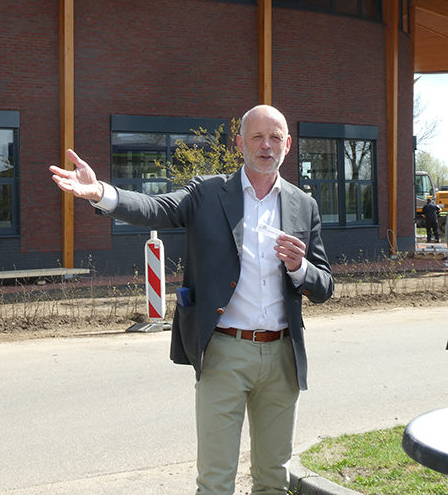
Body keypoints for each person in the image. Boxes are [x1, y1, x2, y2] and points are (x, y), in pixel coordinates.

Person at [49, 104, 334, 495]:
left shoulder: (304, 205)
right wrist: (101, 193)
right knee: (215, 482)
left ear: (288, 143)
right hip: (225, 353)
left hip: (283, 357)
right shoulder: (208, 193)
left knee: (274, 479)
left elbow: (324, 285)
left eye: (275, 137)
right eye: (257, 137)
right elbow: (156, 207)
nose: (266, 145)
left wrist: (300, 268)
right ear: (240, 144)